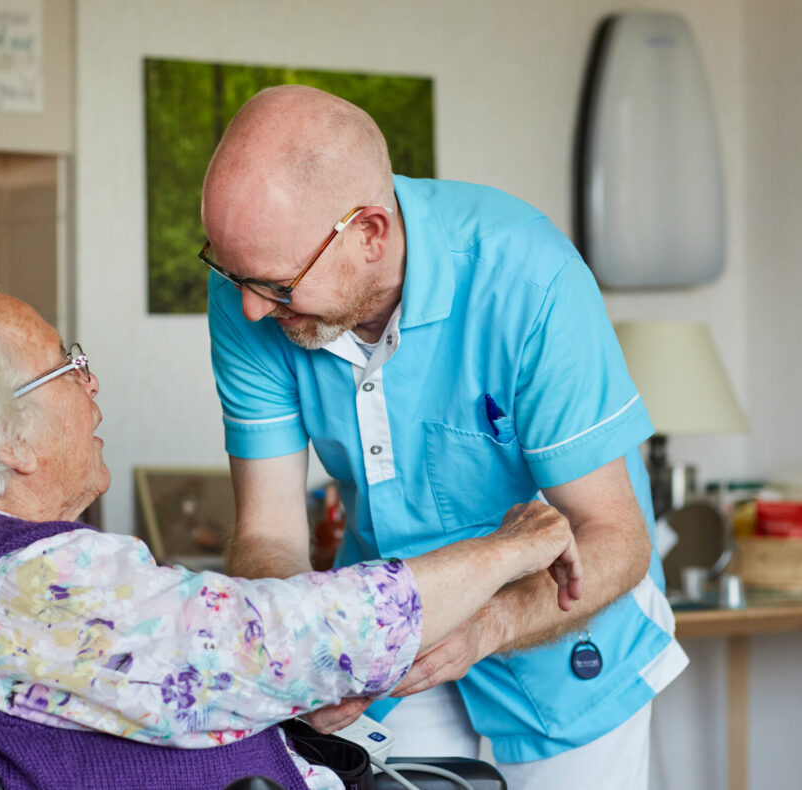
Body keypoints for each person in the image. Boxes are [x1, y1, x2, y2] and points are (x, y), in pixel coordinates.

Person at [0, 259, 585, 790]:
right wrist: (512, 547)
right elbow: (276, 641)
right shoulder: (20, 586)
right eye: (68, 366)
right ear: (8, 439)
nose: (92, 384)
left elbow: (208, 663)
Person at [201, 85, 688, 789]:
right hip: (397, 633)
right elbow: (269, 535)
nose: (249, 306)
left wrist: (486, 626)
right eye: (231, 273)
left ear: (371, 233)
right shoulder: (248, 290)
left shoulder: (528, 275)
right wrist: (306, 656)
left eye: (276, 285)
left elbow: (617, 538)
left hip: (564, 628)